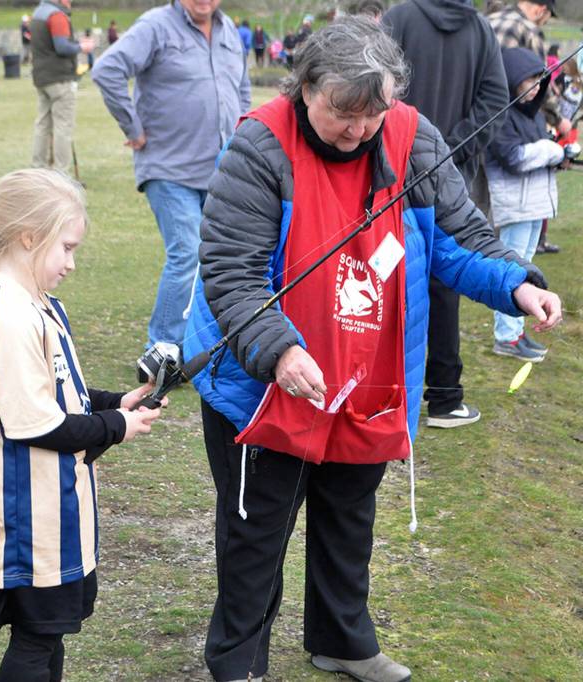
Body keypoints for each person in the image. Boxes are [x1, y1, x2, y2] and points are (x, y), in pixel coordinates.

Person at [183, 18, 560, 681]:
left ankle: (342, 640)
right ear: (304, 89)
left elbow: (458, 236)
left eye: (371, 113)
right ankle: (238, 661)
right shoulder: (259, 146)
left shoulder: (413, 138)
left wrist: (518, 285)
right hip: (265, 381)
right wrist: (279, 352)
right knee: (256, 532)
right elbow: (231, 274)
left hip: (369, 377)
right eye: (342, 113)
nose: (358, 129)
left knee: (349, 515)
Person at [0, 168, 164, 682]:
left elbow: (57, 391)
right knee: (37, 637)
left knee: (49, 635)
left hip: (54, 511)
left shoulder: (35, 304)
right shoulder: (13, 316)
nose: (71, 263)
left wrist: (117, 401)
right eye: (66, 248)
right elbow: (35, 424)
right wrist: (115, 426)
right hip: (30, 519)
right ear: (29, 238)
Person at [93, 0, 251, 374]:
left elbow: (241, 91)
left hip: (219, 170)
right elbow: (108, 69)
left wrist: (241, 134)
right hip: (168, 168)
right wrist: (132, 128)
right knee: (188, 252)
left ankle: (200, 345)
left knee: (218, 257)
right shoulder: (156, 26)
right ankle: (161, 351)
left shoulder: (230, 32)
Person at [383, 0, 510, 430]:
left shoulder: (400, 17)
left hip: (395, 169)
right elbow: (495, 100)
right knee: (441, 279)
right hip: (440, 173)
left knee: (383, 268)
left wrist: (434, 148)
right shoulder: (480, 28)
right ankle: (442, 397)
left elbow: (495, 98)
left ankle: (410, 393)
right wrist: (449, 150)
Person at [485, 47, 565, 361]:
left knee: (526, 267)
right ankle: (505, 336)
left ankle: (515, 332)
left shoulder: (532, 115)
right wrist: (551, 151)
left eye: (537, 81)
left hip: (533, 205)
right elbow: (514, 158)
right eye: (526, 81)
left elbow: (539, 153)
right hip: (515, 205)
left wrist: (558, 156)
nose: (533, 88)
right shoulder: (501, 115)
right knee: (513, 270)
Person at [487, 0, 568, 254]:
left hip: (483, 120)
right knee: (514, 249)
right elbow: (540, 77)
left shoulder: (487, 21)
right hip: (515, 192)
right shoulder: (528, 30)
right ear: (541, 9)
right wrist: (557, 121)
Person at [30, 0, 95, 174]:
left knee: (42, 124)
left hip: (42, 77)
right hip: (59, 79)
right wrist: (82, 46)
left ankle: (38, 169)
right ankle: (60, 174)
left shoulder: (38, 13)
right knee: (63, 127)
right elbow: (62, 47)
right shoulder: (57, 15)